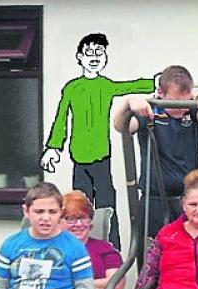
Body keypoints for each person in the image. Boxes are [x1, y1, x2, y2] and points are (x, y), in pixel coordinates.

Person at [43, 33, 156, 249]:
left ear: (104, 57)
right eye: (89, 53)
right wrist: (53, 147)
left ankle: (111, 249)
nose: (94, 57)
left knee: (106, 204)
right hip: (79, 158)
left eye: (99, 52)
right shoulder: (72, 88)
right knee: (78, 207)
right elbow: (61, 118)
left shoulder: (105, 85)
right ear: (79, 57)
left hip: (101, 158)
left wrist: (155, 83)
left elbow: (128, 87)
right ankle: (78, 247)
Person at [113, 64, 198, 239]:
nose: (182, 108)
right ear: (161, 93)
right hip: (156, 200)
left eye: (186, 102)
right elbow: (122, 126)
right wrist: (128, 101)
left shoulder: (190, 109)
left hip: (190, 199)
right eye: (176, 103)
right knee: (154, 255)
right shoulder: (150, 109)